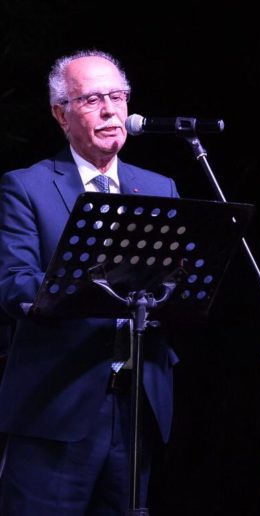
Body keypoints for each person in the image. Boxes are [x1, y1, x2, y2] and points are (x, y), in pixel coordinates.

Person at [0, 49, 180, 515]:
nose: (110, 111)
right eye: (92, 99)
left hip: (137, 402)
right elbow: (15, 283)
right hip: (57, 404)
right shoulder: (26, 187)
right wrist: (91, 283)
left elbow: (178, 282)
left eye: (118, 97)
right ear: (61, 114)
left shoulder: (159, 188)